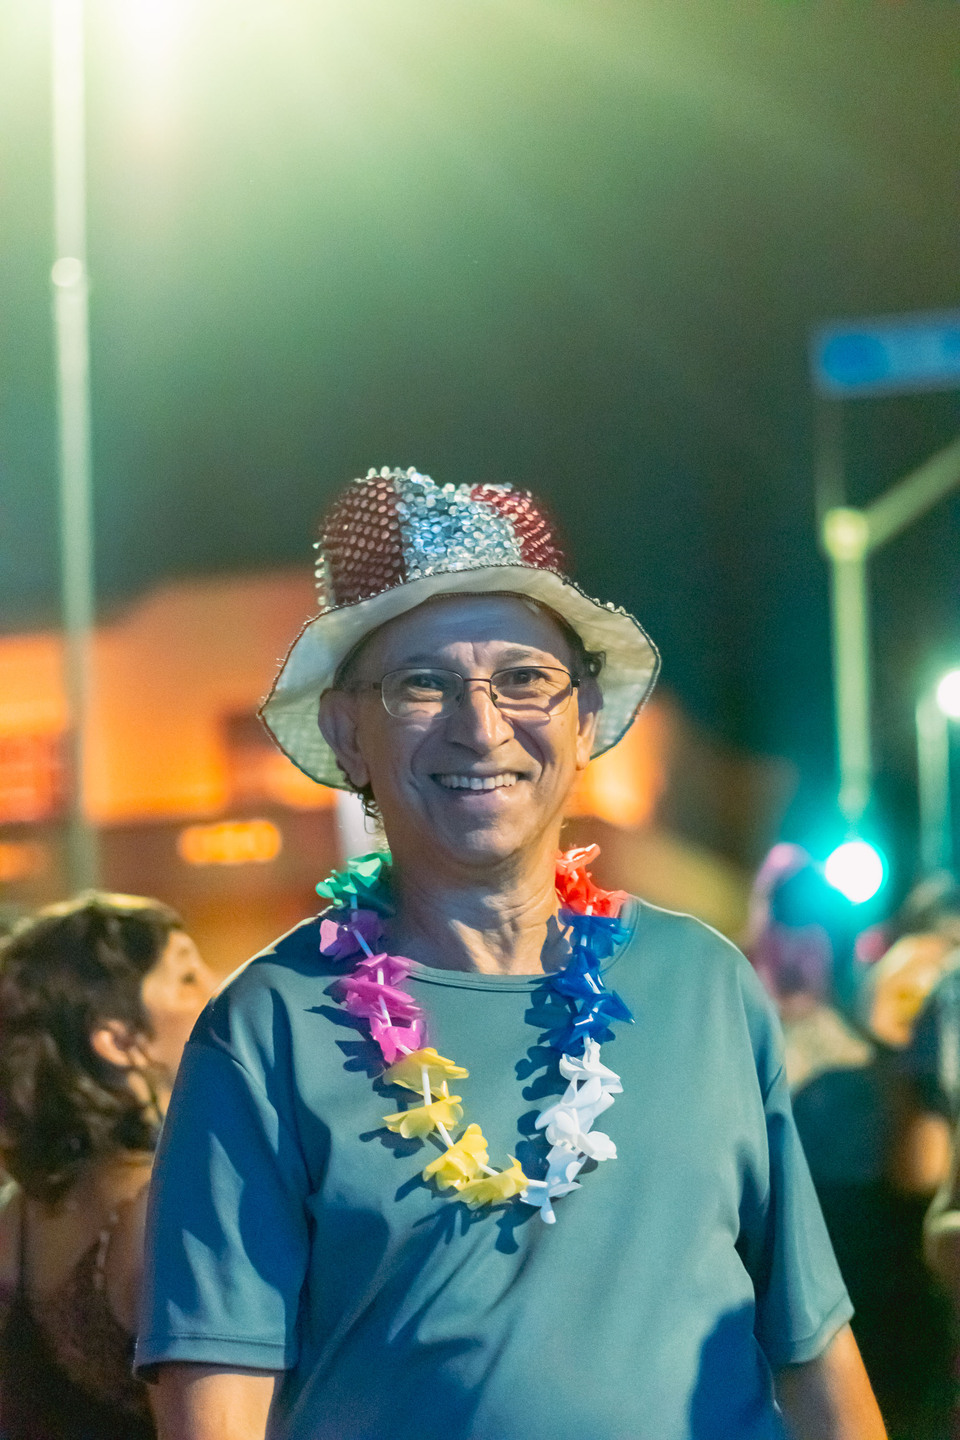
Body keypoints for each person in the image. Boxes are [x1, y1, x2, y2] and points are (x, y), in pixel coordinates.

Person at [138, 467, 886, 1440]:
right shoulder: (265, 1029)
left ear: (584, 718)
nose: (481, 726)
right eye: (422, 683)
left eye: (525, 678)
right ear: (346, 732)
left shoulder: (704, 986)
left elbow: (814, 1354)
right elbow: (216, 1407)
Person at [0, 891, 217, 1440]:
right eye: (187, 977)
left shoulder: (18, 1213)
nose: (217, 988)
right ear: (120, 1042)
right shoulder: (165, 1210)